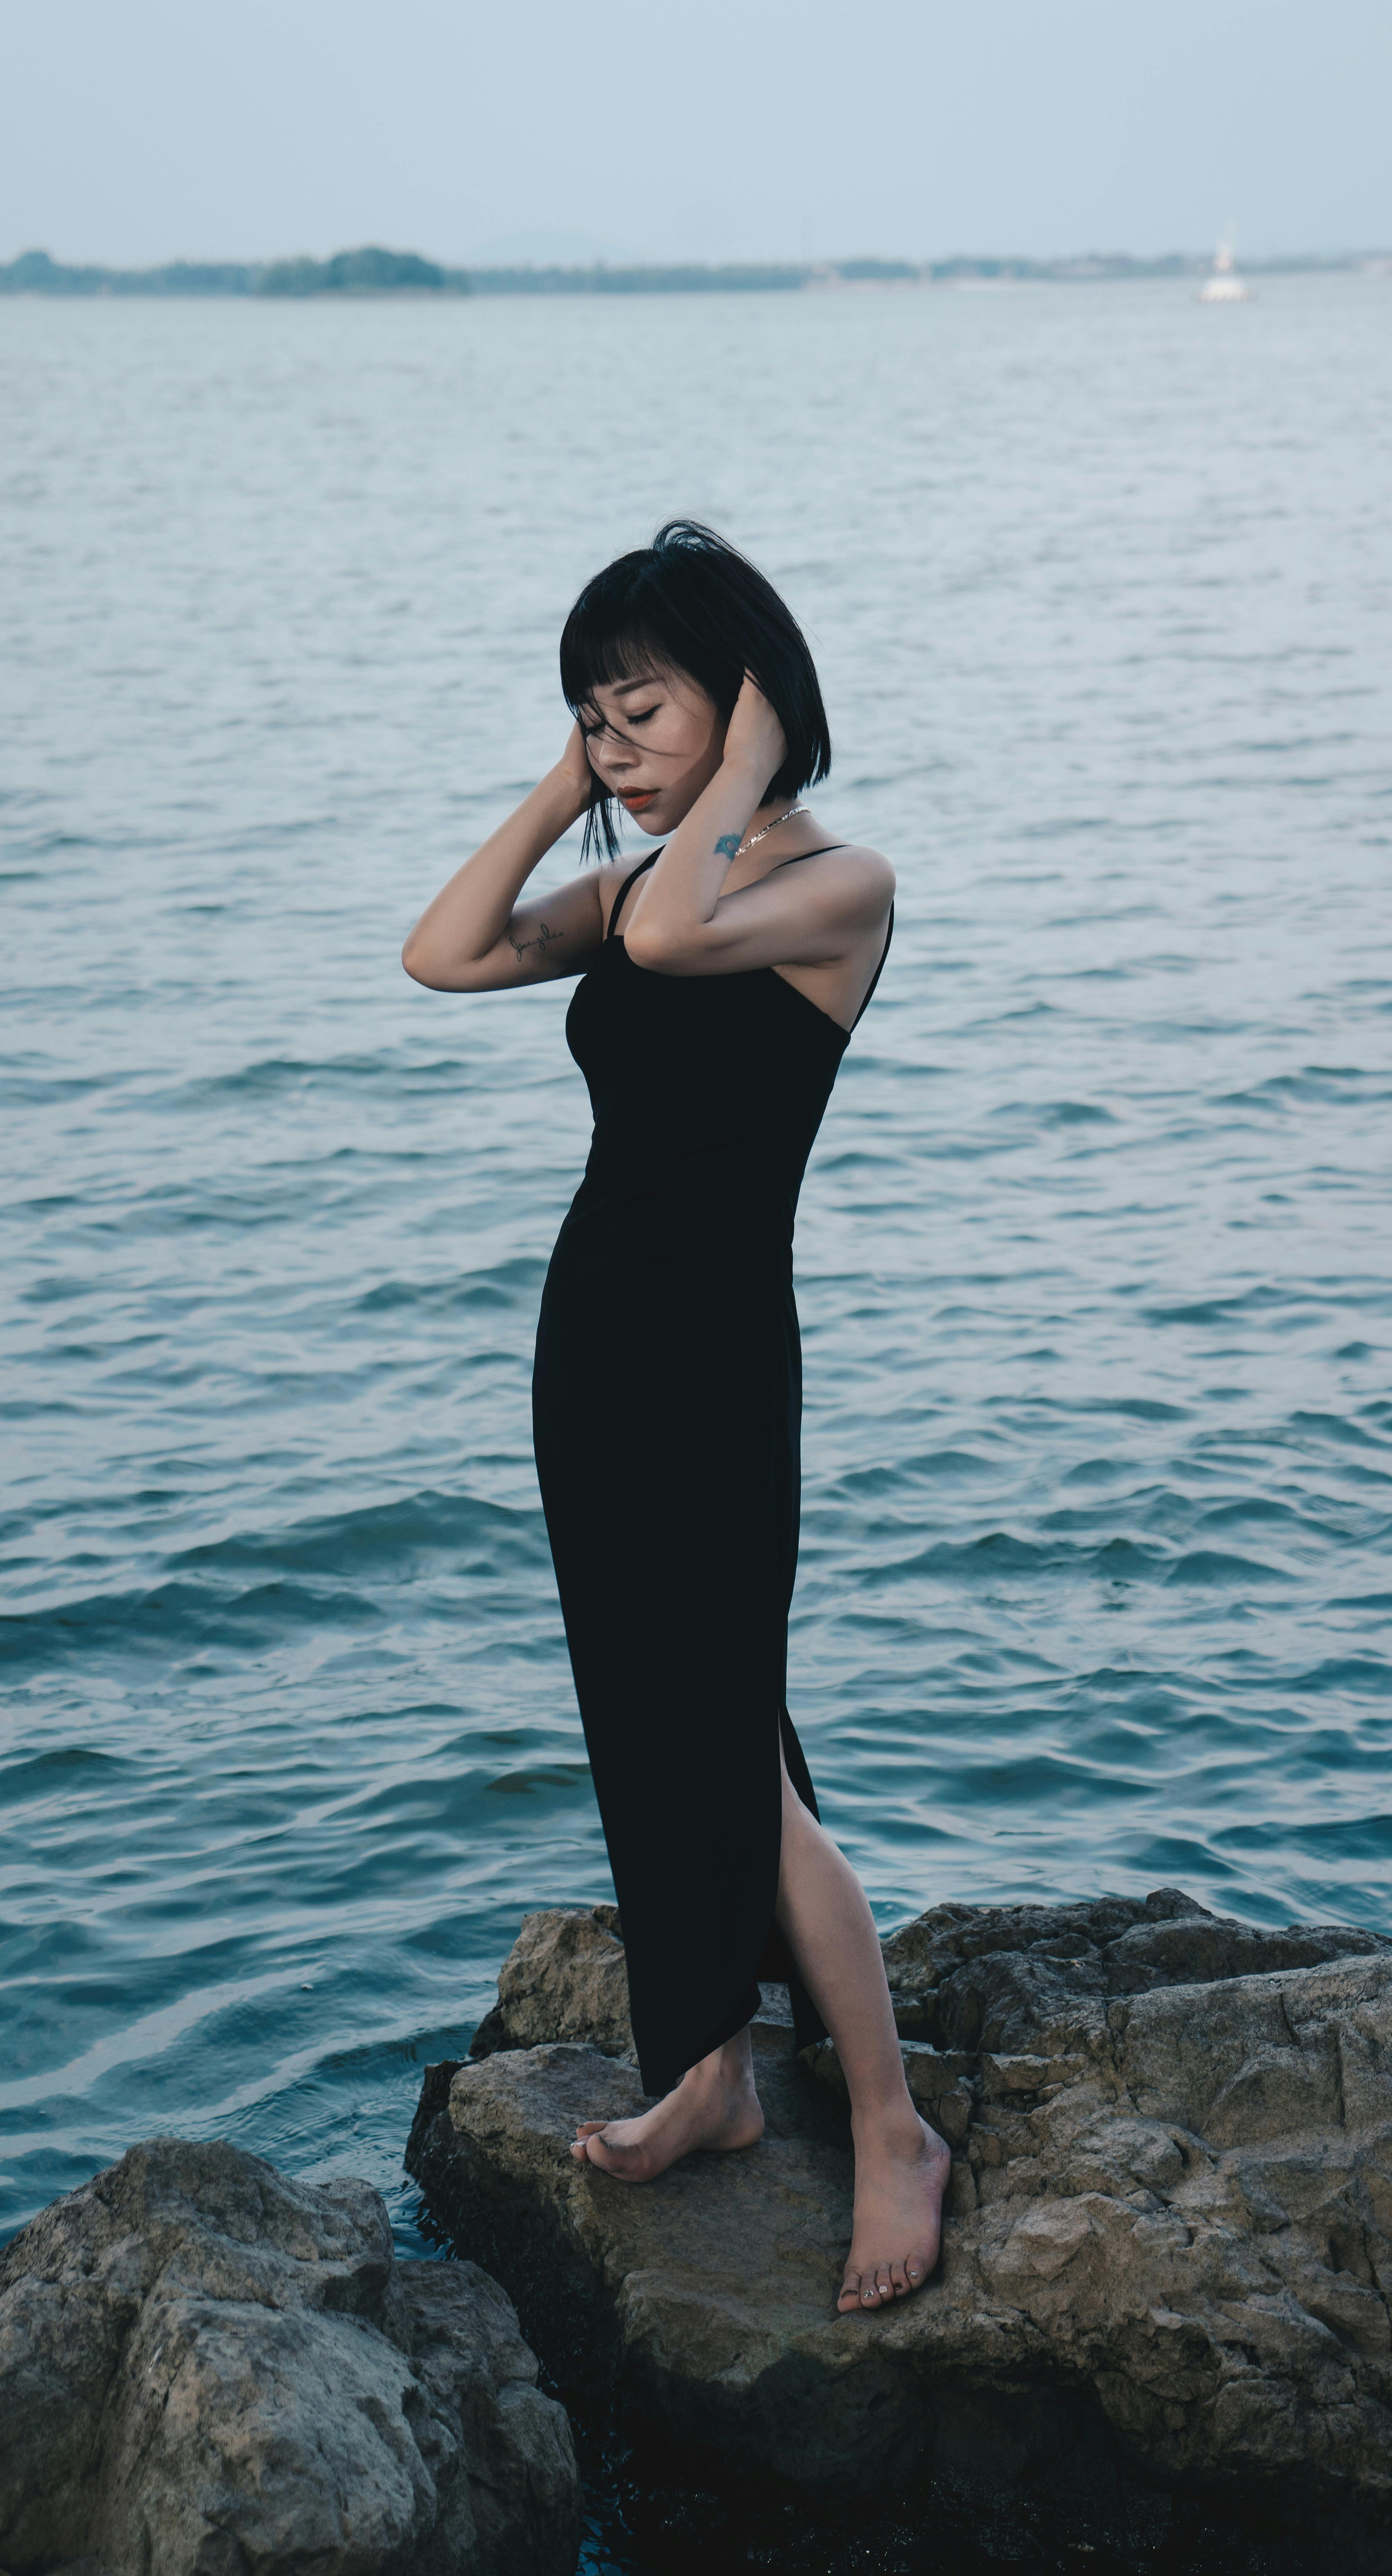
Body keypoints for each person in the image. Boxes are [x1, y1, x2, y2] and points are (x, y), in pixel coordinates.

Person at [402, 520, 946, 2311]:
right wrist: (573, 778)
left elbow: (678, 922)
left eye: (639, 712)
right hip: (594, 1348)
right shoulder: (644, 880)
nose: (612, 749)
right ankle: (709, 2074)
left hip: (715, 1350)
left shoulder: (829, 886)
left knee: (727, 1753)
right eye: (588, 719)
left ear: (749, 705)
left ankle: (886, 2128)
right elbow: (447, 952)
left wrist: (751, 762)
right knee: (656, 1718)